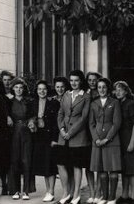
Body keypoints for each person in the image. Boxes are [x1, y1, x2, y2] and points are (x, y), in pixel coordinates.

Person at [57, 71, 91, 204]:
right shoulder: (66, 94)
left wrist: (70, 132)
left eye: (76, 80)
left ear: (81, 81)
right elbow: (60, 114)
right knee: (61, 164)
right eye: (71, 80)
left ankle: (76, 194)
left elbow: (83, 118)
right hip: (63, 135)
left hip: (78, 136)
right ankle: (66, 192)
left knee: (76, 165)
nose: (74, 83)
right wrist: (62, 129)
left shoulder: (86, 96)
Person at [89, 79, 122, 204]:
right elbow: (91, 124)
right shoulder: (93, 103)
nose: (101, 90)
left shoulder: (114, 102)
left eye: (104, 87)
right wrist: (96, 139)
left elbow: (117, 123)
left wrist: (107, 139)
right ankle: (104, 196)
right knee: (101, 169)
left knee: (112, 169)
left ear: (107, 88)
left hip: (111, 141)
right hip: (97, 141)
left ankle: (112, 198)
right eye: (99, 87)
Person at [114, 81, 134, 204]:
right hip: (120, 139)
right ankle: (124, 195)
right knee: (124, 169)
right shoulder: (116, 104)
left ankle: (132, 196)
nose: (118, 92)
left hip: (130, 139)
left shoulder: (131, 104)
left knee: (132, 170)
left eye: (120, 89)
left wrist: (132, 143)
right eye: (116, 90)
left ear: (126, 91)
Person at [32, 80, 60, 202]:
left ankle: (51, 191)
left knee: (51, 164)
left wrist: (54, 139)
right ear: (36, 91)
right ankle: (47, 190)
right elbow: (30, 118)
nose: (41, 91)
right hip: (38, 136)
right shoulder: (33, 103)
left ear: (47, 90)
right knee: (44, 164)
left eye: (44, 89)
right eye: (39, 89)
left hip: (49, 135)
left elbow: (56, 123)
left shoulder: (53, 103)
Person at [9, 78, 36, 200]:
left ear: (24, 89)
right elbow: (6, 115)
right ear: (13, 89)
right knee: (15, 160)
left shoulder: (29, 101)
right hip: (14, 132)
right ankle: (15, 190)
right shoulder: (9, 102)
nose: (19, 90)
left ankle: (26, 191)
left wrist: (31, 121)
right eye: (16, 87)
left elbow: (33, 115)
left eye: (21, 87)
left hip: (26, 132)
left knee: (26, 160)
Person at [51, 77, 72, 204]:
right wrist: (53, 139)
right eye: (57, 87)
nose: (60, 89)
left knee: (71, 166)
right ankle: (66, 192)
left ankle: (73, 193)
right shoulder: (52, 101)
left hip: (70, 135)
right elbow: (52, 123)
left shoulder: (70, 98)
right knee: (61, 165)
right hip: (58, 137)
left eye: (62, 86)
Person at [84, 72, 102, 203]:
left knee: (100, 164)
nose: (92, 82)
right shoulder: (84, 94)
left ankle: (98, 193)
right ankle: (91, 193)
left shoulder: (102, 94)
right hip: (85, 133)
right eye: (89, 80)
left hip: (98, 131)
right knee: (88, 165)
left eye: (94, 80)